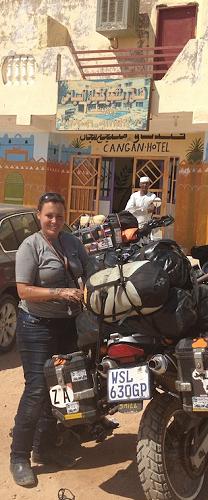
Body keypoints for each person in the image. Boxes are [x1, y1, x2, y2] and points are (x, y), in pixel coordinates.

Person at [10, 192, 88, 487]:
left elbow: (89, 272)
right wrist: (59, 293)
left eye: (59, 215)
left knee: (61, 387)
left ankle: (45, 447)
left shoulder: (73, 242)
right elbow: (24, 291)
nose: (54, 220)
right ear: (38, 216)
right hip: (35, 326)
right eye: (48, 215)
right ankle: (19, 457)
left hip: (68, 326)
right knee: (37, 390)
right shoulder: (29, 246)